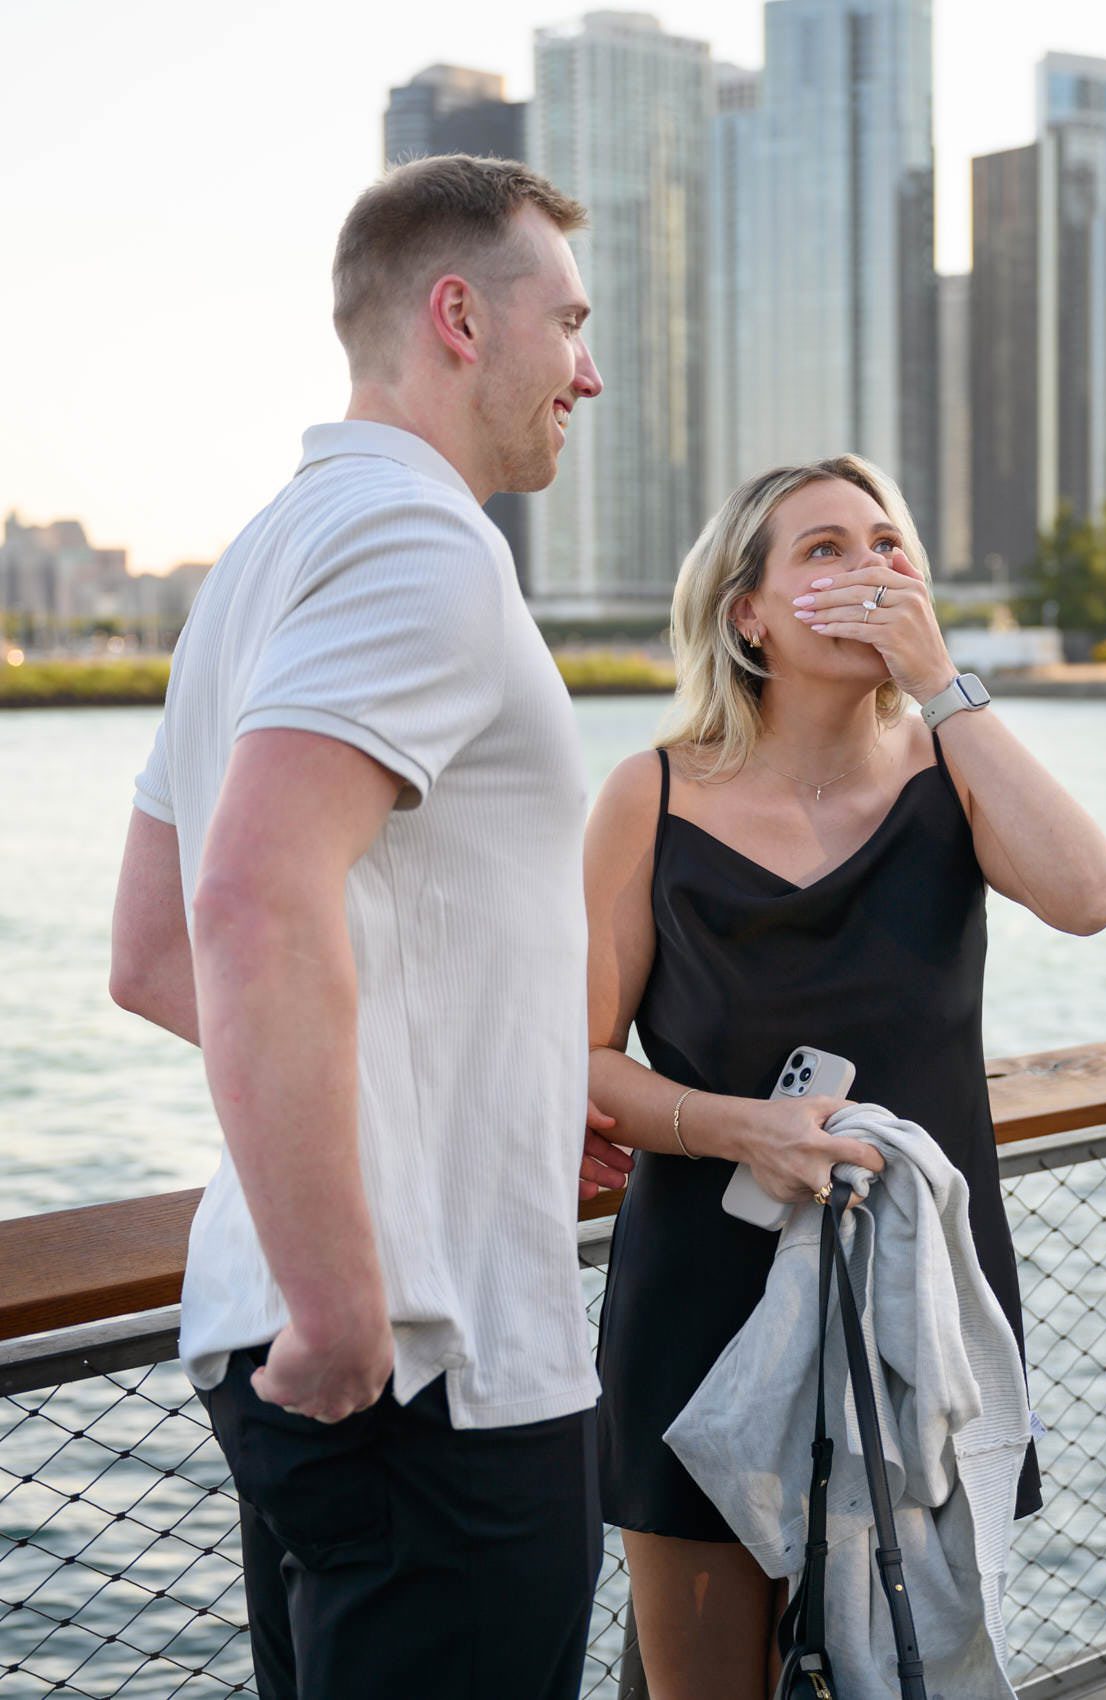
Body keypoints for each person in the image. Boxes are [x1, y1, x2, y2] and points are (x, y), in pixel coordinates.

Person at [109, 154, 630, 1700]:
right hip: (423, 1357)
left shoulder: (261, 559)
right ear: (460, 316)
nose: (587, 373)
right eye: (572, 322)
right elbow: (249, 902)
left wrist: (502, 1084)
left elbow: (150, 956)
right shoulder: (421, 547)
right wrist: (345, 1305)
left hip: (321, 1358)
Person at [582, 454, 1106, 1700]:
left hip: (914, 1308)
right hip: (700, 1298)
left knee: (901, 1671)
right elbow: (580, 1060)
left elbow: (1089, 898)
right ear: (748, 612)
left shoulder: (955, 773)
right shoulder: (650, 793)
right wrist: (742, 1130)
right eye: (822, 549)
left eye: (889, 544)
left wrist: (944, 684)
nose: (870, 567)